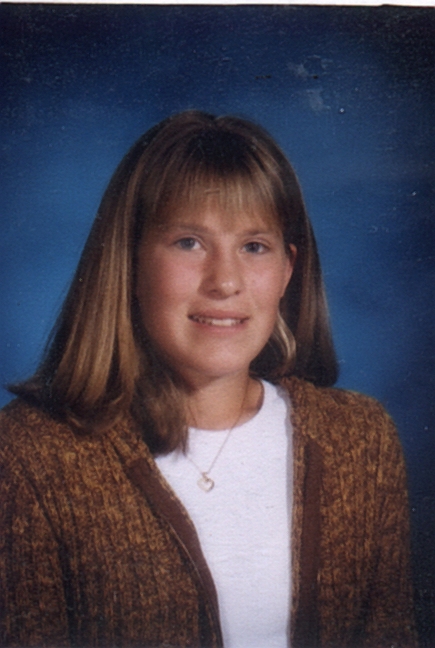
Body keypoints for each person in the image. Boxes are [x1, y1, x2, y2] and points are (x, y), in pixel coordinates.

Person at [0, 110, 416, 648]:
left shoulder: (361, 440)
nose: (225, 282)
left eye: (254, 246)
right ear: (129, 261)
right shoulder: (30, 457)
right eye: (189, 242)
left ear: (287, 270)